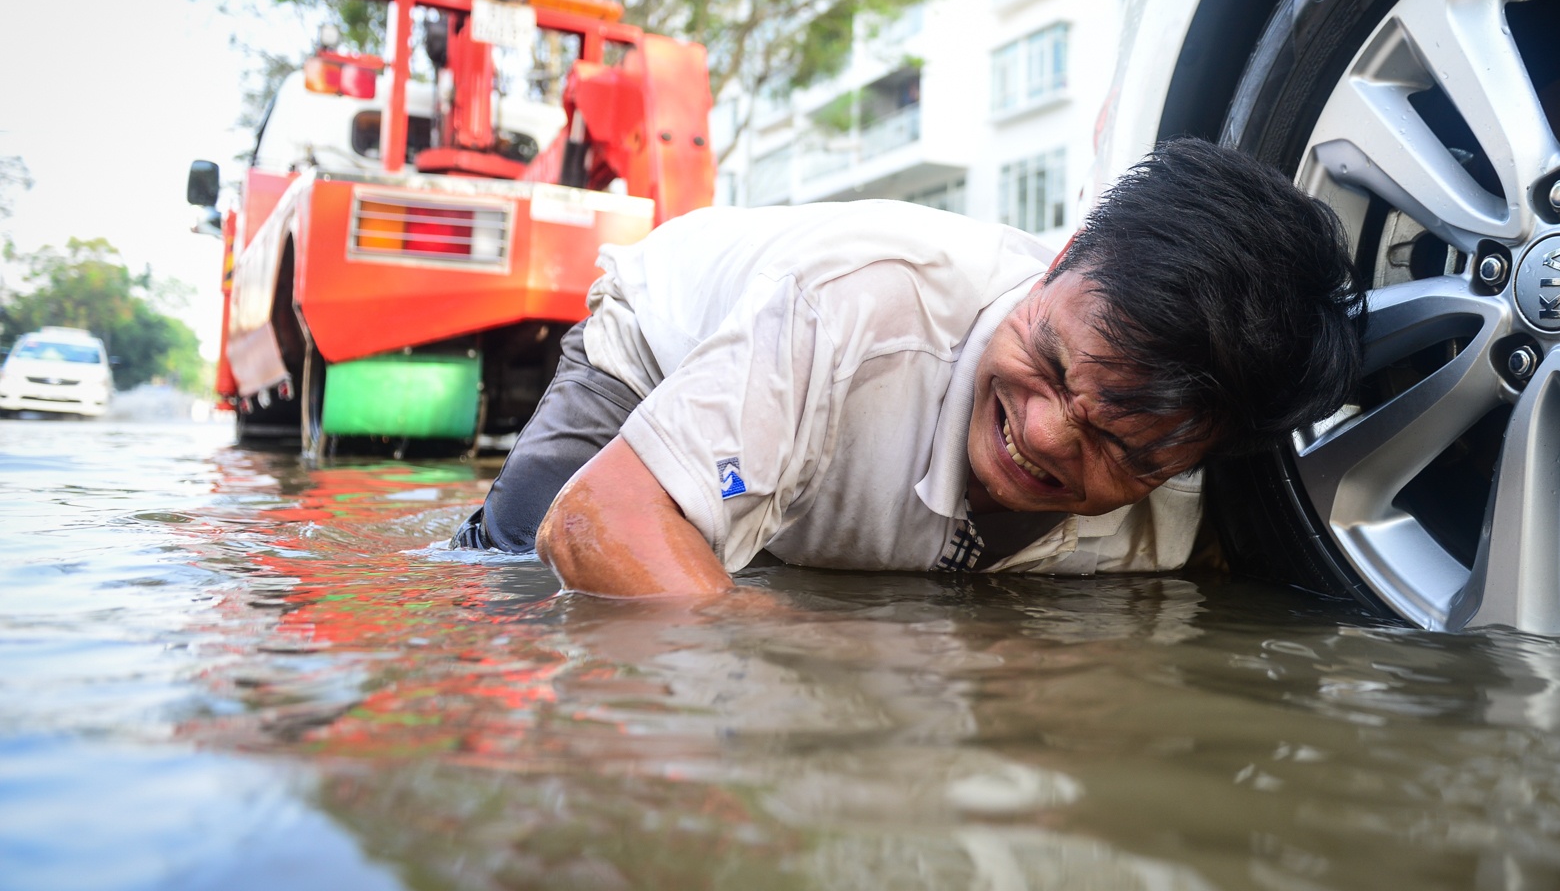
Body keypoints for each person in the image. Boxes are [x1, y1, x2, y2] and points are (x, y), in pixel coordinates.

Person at [452, 137, 1364, 596]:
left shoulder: (1194, 510)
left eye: (1121, 449)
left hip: (815, 429)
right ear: (1062, 259)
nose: (1042, 437)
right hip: (661, 347)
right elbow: (595, 524)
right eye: (1046, 361)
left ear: (1192, 463)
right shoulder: (860, 299)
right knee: (520, 584)